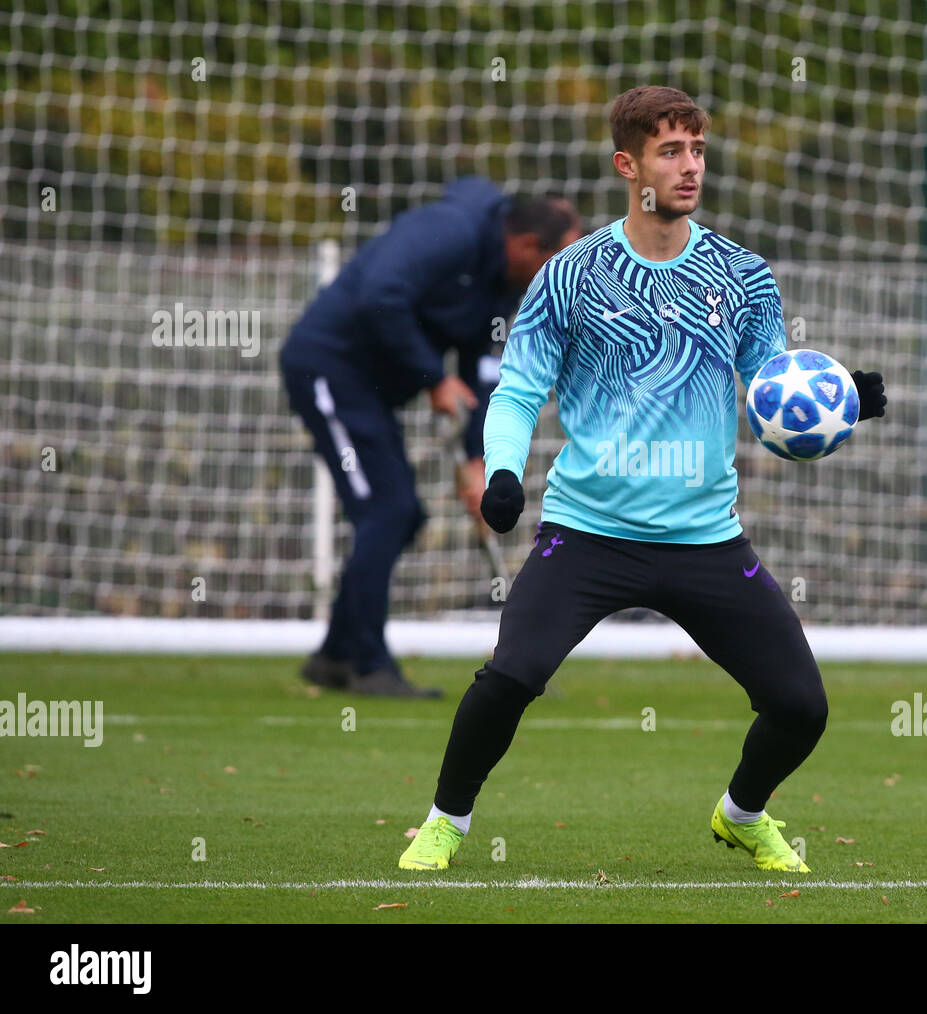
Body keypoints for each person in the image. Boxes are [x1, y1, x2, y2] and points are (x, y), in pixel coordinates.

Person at [399, 87, 886, 870]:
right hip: (588, 532)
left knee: (801, 707)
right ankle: (444, 824)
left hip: (705, 540)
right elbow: (518, 389)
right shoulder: (570, 275)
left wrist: (842, 402)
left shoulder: (744, 275)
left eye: (697, 149)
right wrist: (501, 474)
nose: (690, 166)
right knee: (510, 677)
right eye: (670, 151)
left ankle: (741, 814)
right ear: (629, 165)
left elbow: (772, 396)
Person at [280, 178, 582, 697]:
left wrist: (477, 463)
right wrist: (433, 377)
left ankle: (335, 656)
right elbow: (381, 296)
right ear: (530, 246)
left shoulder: (506, 282)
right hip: (328, 369)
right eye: (560, 263)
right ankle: (368, 666)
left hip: (368, 393)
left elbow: (478, 368)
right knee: (387, 511)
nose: (563, 281)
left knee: (401, 514)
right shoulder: (448, 231)